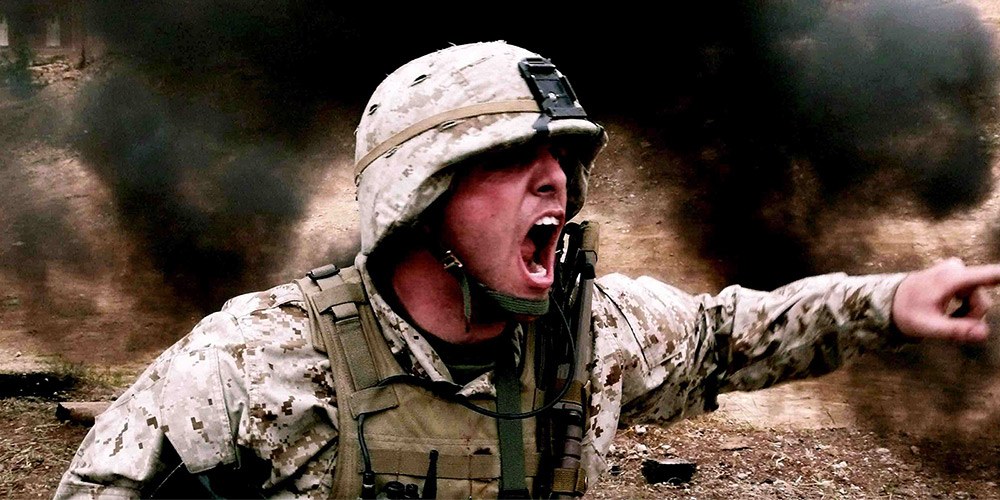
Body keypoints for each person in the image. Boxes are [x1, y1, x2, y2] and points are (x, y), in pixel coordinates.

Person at [55, 40, 1000, 499]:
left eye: (561, 162)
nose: (557, 180)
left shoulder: (590, 344)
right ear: (417, 198)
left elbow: (725, 338)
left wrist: (889, 301)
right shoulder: (253, 366)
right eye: (512, 159)